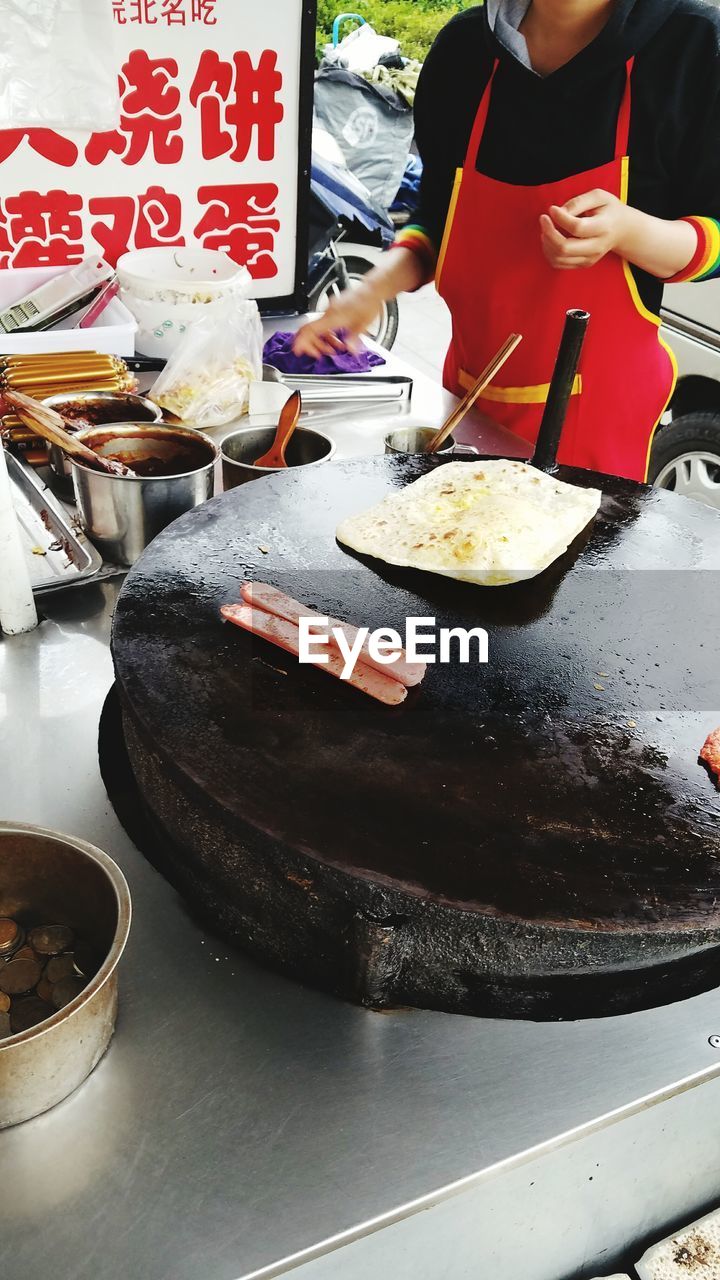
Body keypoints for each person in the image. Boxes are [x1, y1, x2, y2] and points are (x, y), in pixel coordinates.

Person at [294, 0, 720, 482]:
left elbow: (716, 235)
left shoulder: (692, 43)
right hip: (471, 403)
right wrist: (371, 291)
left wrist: (629, 231)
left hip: (595, 427)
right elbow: (438, 216)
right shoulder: (464, 49)